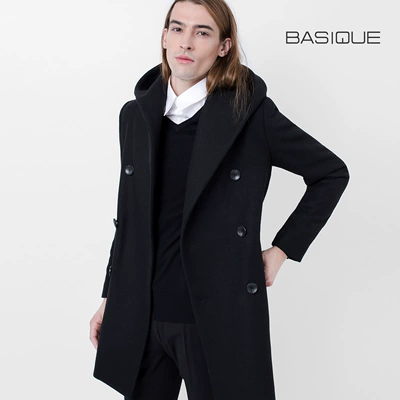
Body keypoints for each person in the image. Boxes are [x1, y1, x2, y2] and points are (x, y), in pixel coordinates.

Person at [89, 1, 350, 399]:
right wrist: (111, 296)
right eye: (177, 29)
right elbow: (129, 219)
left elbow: (330, 173)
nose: (186, 42)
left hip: (213, 320)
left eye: (203, 32)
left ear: (224, 47)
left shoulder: (250, 115)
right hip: (142, 315)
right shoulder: (134, 117)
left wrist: (281, 250)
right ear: (164, 37)